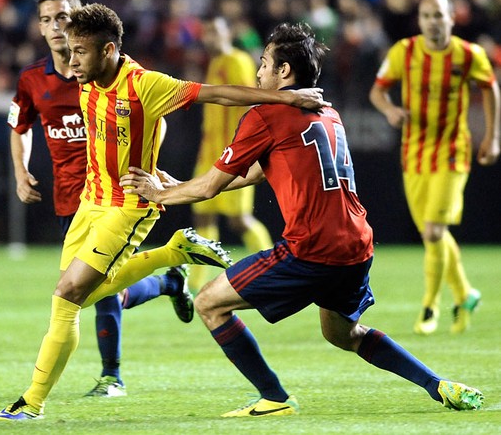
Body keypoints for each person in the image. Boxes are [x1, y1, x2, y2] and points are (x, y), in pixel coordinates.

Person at [120, 22, 484, 417]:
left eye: (264, 64)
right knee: (344, 335)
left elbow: (209, 189)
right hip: (357, 244)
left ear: (285, 73)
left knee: (209, 303)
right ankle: (438, 385)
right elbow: (260, 171)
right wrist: (186, 184)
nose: (259, 74)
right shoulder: (328, 112)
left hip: (311, 248)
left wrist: (161, 193)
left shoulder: (267, 114)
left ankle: (274, 397)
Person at [0, 3, 328, 421]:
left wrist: (284, 96)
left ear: (109, 50)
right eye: (70, 50)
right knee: (83, 296)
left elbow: (216, 93)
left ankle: (31, 401)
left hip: (127, 205)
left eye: (80, 52)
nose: (71, 60)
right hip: (89, 203)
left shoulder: (145, 84)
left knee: (67, 297)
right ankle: (172, 258)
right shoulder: (86, 75)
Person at [5, 0, 197, 398]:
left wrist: (148, 160)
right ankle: (169, 281)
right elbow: (18, 126)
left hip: (113, 193)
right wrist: (21, 171)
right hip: (69, 198)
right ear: (39, 28)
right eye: (47, 19)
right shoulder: (33, 80)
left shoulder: (104, 71)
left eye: (63, 16)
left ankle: (111, 375)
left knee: (83, 293)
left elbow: (152, 114)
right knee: (99, 289)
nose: (56, 26)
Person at [369, 0, 500, 335]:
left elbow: (490, 88)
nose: (433, 22)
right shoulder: (405, 52)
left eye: (439, 16)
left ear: (451, 19)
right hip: (414, 154)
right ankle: (465, 293)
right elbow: (377, 91)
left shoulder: (468, 54)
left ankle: (430, 306)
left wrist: (492, 136)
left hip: (453, 152)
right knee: (433, 236)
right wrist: (390, 111)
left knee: (433, 231)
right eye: (427, 16)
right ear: (420, 20)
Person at [189, 15, 272, 290]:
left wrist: (247, 147)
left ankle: (272, 265)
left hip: (233, 154)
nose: (209, 37)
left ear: (227, 33)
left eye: (215, 31)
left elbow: (249, 99)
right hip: (208, 153)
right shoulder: (214, 62)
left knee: (239, 220)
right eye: (207, 32)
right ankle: (196, 281)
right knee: (202, 215)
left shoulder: (237, 60)